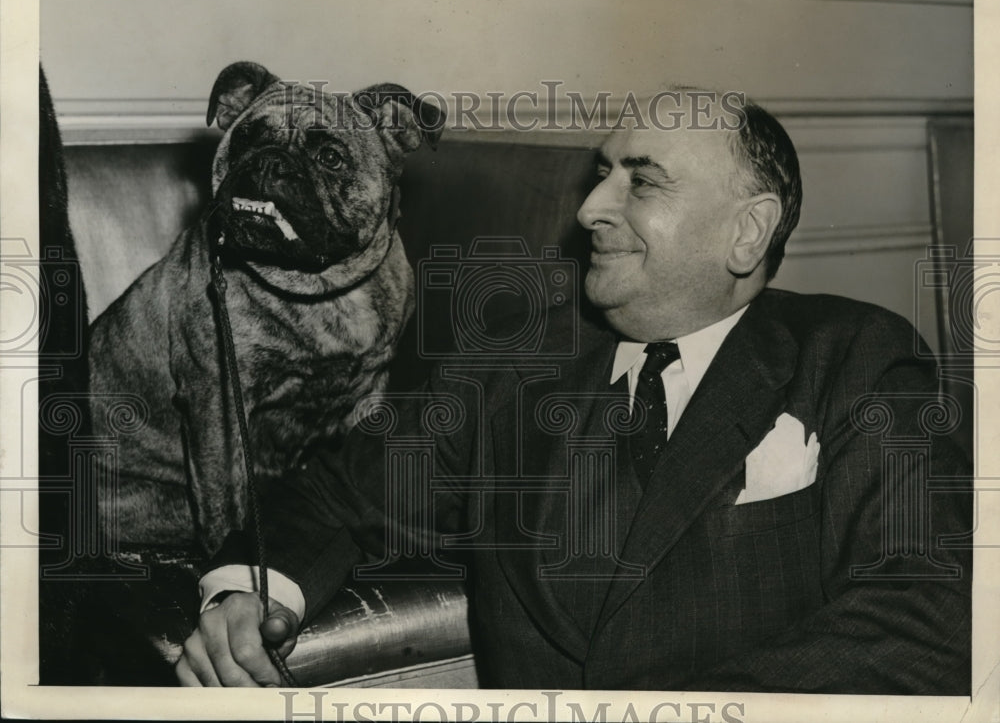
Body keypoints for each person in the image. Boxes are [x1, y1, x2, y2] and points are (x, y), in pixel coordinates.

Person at [175, 90, 972, 692]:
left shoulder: (858, 359)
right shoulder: (516, 361)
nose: (591, 208)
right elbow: (337, 495)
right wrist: (244, 595)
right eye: (600, 176)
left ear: (748, 232)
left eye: (641, 183)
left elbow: (922, 624)